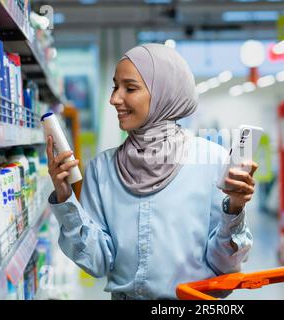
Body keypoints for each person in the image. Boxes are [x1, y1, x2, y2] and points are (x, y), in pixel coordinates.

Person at [47, 43, 258, 300]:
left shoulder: (211, 161)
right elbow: (97, 263)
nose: (114, 98)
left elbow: (224, 266)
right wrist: (64, 198)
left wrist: (234, 207)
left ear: (163, 94)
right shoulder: (101, 169)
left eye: (130, 88)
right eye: (115, 86)